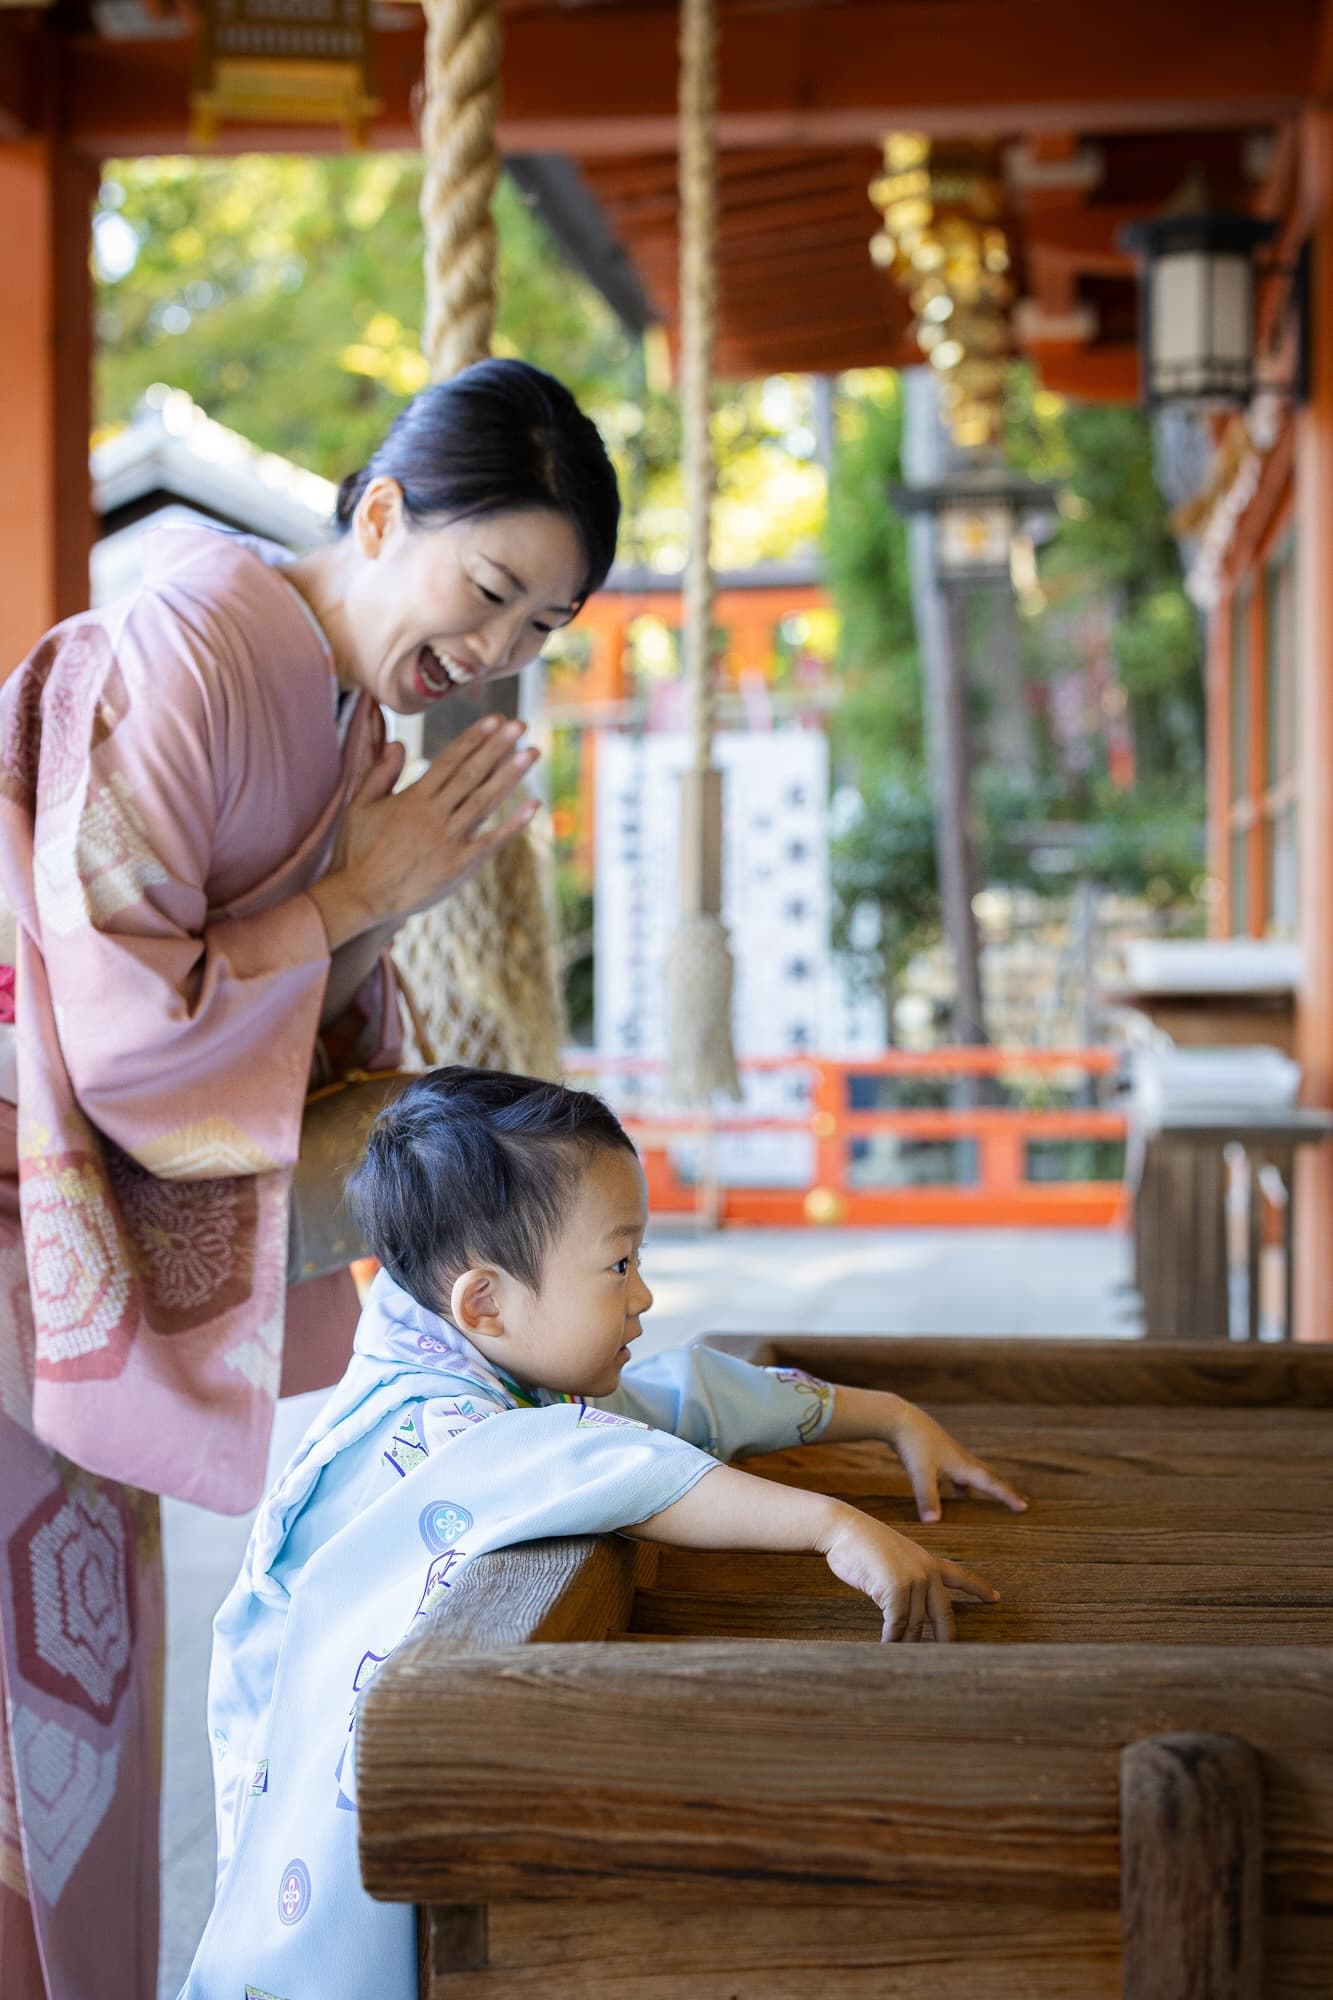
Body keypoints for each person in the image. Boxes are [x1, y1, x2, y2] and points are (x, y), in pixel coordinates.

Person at [0, 360, 619, 2000]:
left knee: (70, 1691)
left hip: (65, 1243)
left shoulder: (351, 733)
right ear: (384, 511)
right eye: (490, 590)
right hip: (26, 1194)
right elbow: (127, 1032)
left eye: (541, 627)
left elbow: (318, 1035)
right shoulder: (191, 645)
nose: (496, 651)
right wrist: (359, 895)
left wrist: (388, 901)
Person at [183, 1065, 1028, 2000]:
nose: (644, 1296)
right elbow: (594, 1460)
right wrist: (828, 1524)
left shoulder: (479, 1345)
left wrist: (885, 1415)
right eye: (619, 1265)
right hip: (321, 1807)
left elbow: (673, 1400)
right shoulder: (428, 1422)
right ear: (485, 1302)